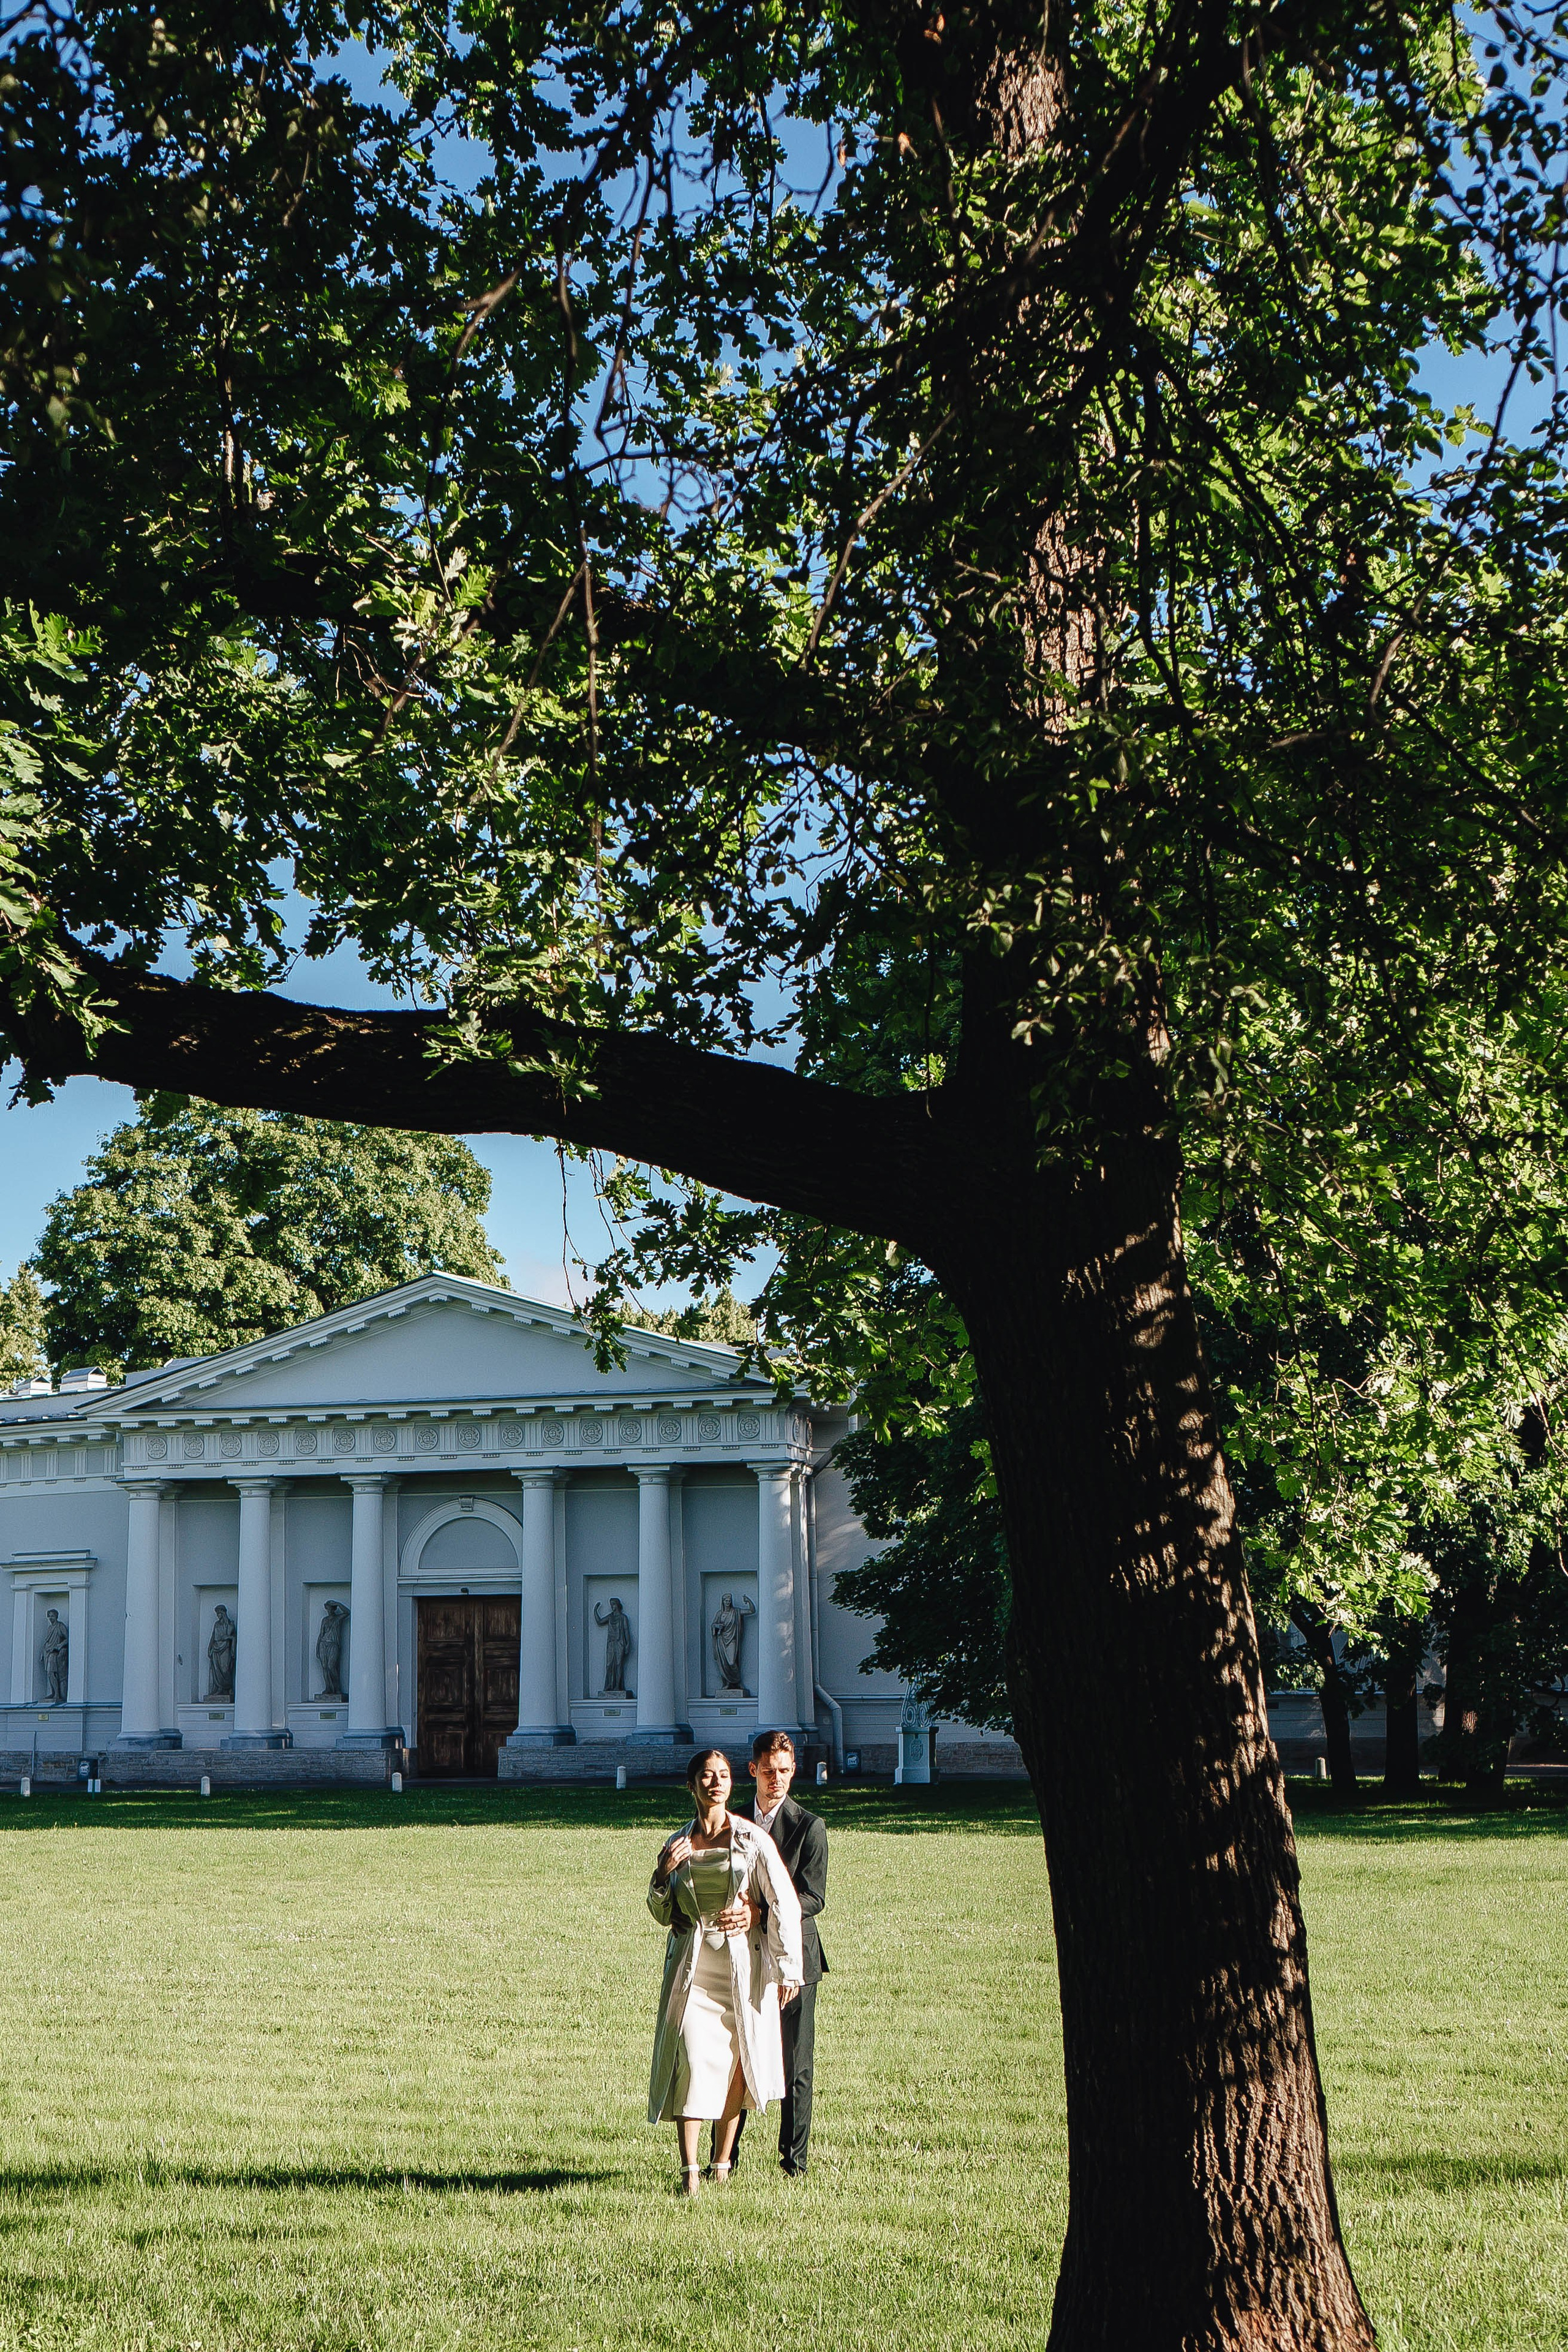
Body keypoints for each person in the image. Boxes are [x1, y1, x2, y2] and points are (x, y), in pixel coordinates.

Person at [646, 1746, 803, 2195]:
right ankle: (689, 2171)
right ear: (692, 1785)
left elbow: (783, 1903)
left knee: (738, 2064)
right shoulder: (677, 1844)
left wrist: (788, 1968)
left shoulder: (752, 1840)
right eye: (707, 1776)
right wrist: (662, 1877)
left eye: (724, 1775)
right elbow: (661, 1912)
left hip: (742, 1966)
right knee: (692, 2060)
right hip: (693, 1969)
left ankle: (721, 2165)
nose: (717, 1783)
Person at [726, 1729, 828, 2177]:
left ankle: (794, 2164)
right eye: (769, 1772)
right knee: (738, 2058)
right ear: (753, 1771)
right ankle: (724, 2159)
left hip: (796, 1959)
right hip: (742, 1955)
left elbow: (813, 1897)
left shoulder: (809, 1827)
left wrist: (762, 1911)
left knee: (795, 2064)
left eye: (785, 1772)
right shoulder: (732, 1825)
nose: (777, 1781)